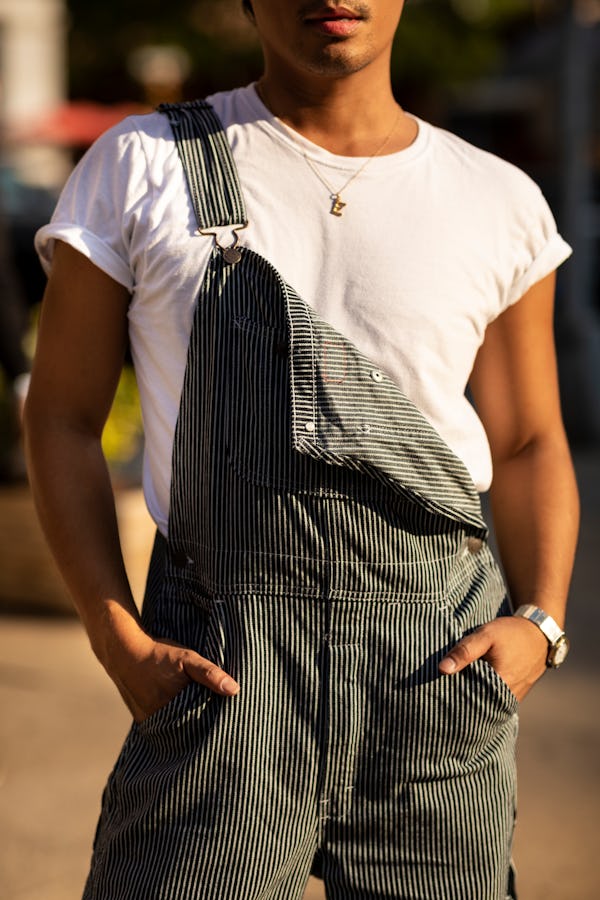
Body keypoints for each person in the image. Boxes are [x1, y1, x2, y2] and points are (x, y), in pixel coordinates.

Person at [25, 2, 579, 898]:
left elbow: (526, 440)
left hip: (434, 674)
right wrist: (116, 636)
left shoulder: (496, 198)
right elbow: (59, 417)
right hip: (223, 673)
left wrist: (540, 626)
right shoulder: (142, 165)